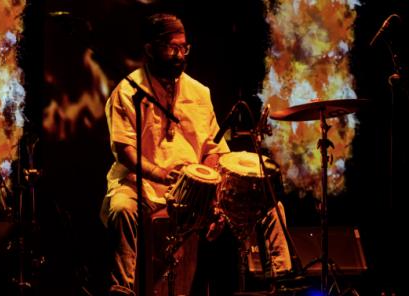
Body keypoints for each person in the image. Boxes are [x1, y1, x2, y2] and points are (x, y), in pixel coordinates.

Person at [100, 12, 294, 296]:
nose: (180, 55)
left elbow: (213, 148)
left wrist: (214, 193)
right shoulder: (128, 91)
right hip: (143, 186)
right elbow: (123, 149)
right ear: (150, 48)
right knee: (121, 209)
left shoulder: (199, 92)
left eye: (184, 47)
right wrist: (160, 174)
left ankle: (282, 281)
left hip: (196, 193)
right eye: (172, 47)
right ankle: (122, 289)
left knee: (269, 204)